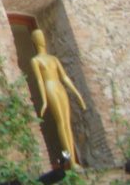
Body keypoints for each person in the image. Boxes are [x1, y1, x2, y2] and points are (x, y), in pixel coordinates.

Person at [30, 28, 87, 167]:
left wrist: (77, 94)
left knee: (67, 123)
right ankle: (69, 160)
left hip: (59, 86)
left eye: (42, 35)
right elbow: (39, 81)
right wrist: (44, 100)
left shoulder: (53, 58)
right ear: (34, 40)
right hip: (50, 88)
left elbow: (65, 77)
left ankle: (73, 158)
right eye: (38, 36)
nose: (41, 39)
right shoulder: (35, 60)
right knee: (60, 123)